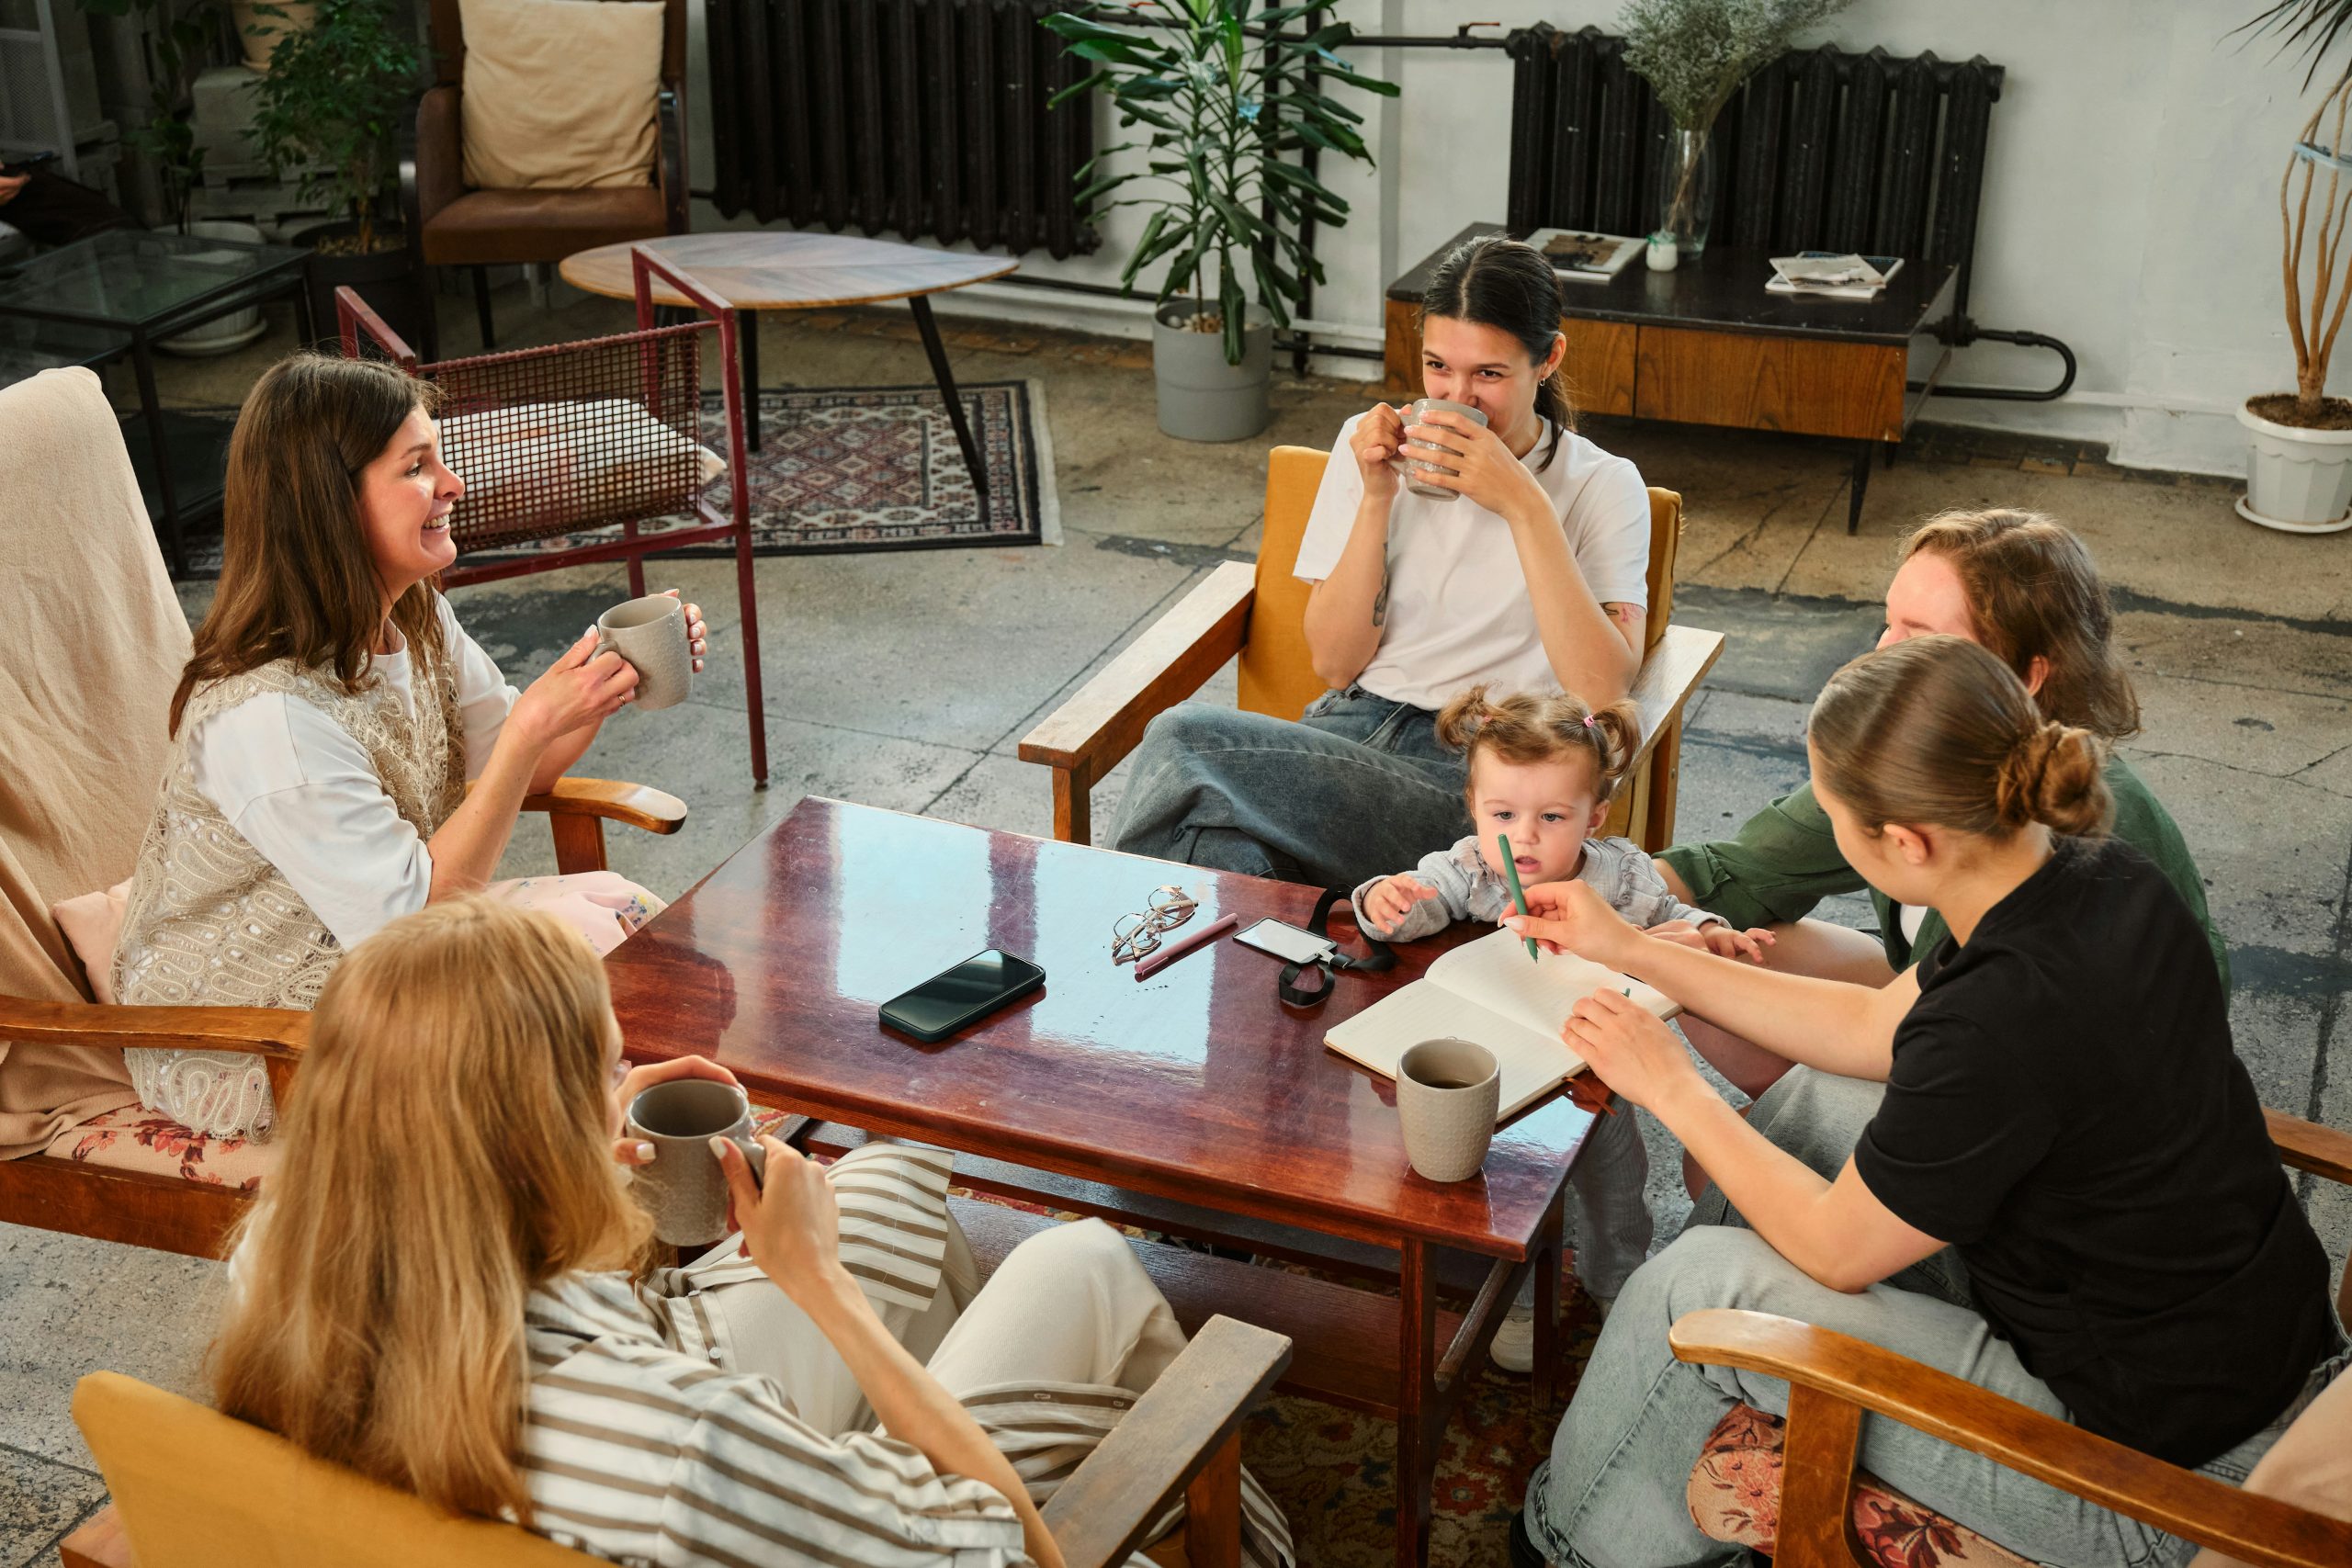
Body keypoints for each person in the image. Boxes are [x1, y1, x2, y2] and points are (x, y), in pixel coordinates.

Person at [1505, 636, 2341, 1568]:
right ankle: (1685, 1407)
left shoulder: (2002, 1019)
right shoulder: (2090, 875)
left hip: (2157, 1469)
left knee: (1693, 1289)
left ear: (1903, 843)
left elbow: (1834, 1244)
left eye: (1833, 815)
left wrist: (1666, 1086)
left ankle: (1559, 1544)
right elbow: (1872, 1029)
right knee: (1819, 1103)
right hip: (2228, 1339)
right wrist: (1631, 946)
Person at [209, 897, 1293, 1568]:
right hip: (832, 1506)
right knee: (1082, 1258)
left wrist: (584, 1167)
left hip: (636, 1411)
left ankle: (933, 1380)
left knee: (895, 1188)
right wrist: (824, 1291)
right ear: (536, 1134)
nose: (623, 1091)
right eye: (605, 1072)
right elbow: (1013, 1554)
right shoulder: (686, 1449)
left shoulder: (280, 1269)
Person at [109, 354, 705, 1141]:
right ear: (329, 505)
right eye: (417, 467)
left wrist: (603, 680)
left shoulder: (413, 613)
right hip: (258, 1028)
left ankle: (675, 1168)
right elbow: (412, 924)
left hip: (383, 945)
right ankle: (627, 1204)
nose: (452, 483)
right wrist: (531, 724)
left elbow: (520, 766)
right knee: (542, 1040)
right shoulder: (267, 718)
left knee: (631, 938)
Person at [1108, 233, 1654, 892]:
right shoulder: (1370, 445)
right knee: (1222, 853)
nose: (1459, 395)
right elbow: (1336, 665)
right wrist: (1375, 498)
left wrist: (1524, 505)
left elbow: (1601, 690)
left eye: (1489, 373)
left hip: (1487, 777)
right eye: (1437, 367)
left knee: (1182, 741)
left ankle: (1087, 935)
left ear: (1548, 359)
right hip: (1347, 734)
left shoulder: (1602, 485)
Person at [1654, 509, 2227, 1101]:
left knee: (1722, 1121)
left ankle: (1800, 1128)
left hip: (2057, 1101)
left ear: (2025, 674)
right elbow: (1741, 869)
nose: (1882, 652)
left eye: (1920, 636)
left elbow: (1915, 1041)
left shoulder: (2067, 856)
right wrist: (1596, 881)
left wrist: (1679, 1090)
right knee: (1716, 949)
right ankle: (1793, 1123)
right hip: (1956, 1029)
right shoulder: (1933, 750)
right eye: (1887, 623)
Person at [1351, 682, 1768, 1368]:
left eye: (1552, 815)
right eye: (1503, 813)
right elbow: (1416, 907)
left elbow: (1677, 918)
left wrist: (1712, 934)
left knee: (1616, 1183)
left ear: (1595, 815)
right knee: (1506, 1187)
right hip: (1501, 1065)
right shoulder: (1473, 867)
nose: (1524, 837)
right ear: (1473, 810)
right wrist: (1383, 899)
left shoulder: (1621, 879)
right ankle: (1515, 1295)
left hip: (1600, 1068)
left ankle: (1617, 1281)